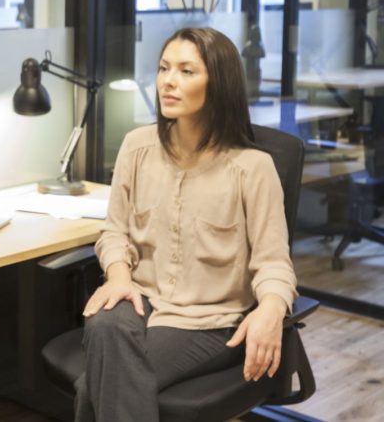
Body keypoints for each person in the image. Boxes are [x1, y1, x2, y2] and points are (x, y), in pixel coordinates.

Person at [75, 27, 296, 422]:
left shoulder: (252, 168)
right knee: (105, 325)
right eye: (163, 68)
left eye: (186, 71)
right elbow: (114, 232)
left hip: (207, 323)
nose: (168, 81)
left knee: (92, 384)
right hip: (138, 300)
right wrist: (119, 277)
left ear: (219, 83)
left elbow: (274, 262)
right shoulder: (136, 147)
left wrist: (271, 309)